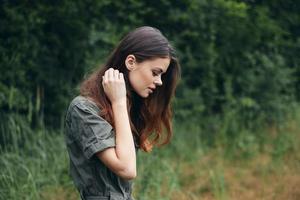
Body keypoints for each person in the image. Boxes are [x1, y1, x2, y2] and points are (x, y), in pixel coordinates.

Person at [64, 26, 180, 200]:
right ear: (131, 62)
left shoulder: (128, 106)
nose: (159, 82)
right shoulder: (83, 109)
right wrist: (118, 102)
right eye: (155, 73)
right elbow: (127, 169)